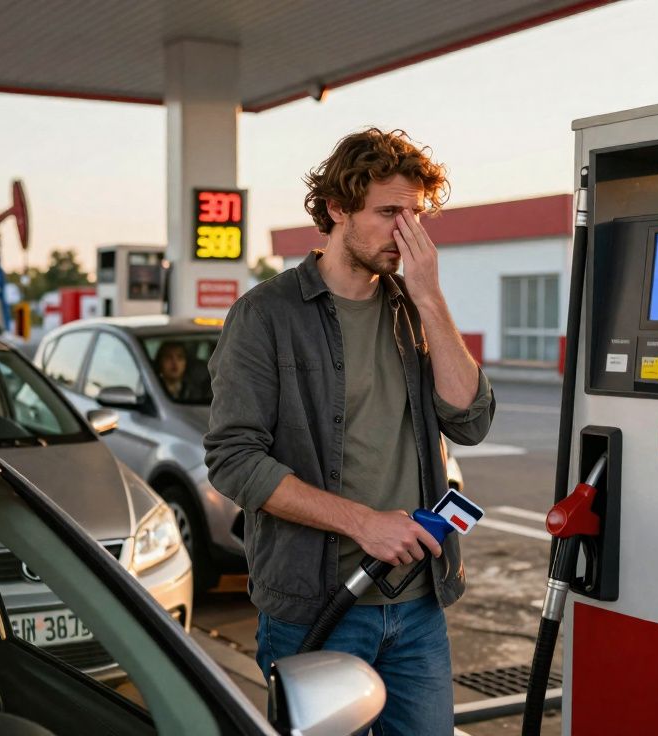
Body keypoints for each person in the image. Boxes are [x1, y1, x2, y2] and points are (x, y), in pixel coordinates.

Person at [204, 128, 494, 734]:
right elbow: (234, 459)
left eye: (416, 216)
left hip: (418, 603)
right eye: (389, 213)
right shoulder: (266, 315)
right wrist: (364, 523)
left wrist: (431, 298)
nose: (405, 232)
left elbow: (470, 420)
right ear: (337, 208)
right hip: (317, 606)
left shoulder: (412, 308)